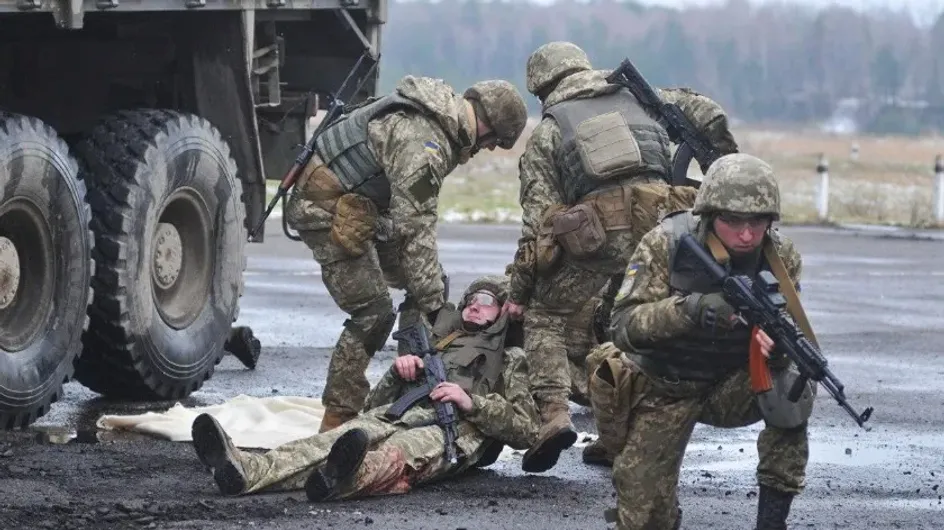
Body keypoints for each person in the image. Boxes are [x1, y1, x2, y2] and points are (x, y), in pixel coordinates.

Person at [502, 40, 739, 472]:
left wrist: (519, 290)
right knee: (625, 322)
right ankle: (619, 435)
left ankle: (553, 416)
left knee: (546, 315)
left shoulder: (551, 130)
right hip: (664, 229)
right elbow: (707, 112)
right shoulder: (644, 100)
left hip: (598, 238)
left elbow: (538, 224)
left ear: (542, 88)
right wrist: (726, 161)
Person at [284, 75, 528, 432]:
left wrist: (428, 293)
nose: (486, 151)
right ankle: (339, 414)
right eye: (493, 143)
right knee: (373, 312)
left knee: (428, 281)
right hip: (324, 211)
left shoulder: (436, 117)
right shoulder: (425, 142)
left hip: (361, 208)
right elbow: (416, 228)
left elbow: (410, 230)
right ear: (488, 128)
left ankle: (413, 376)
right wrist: (433, 308)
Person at [596, 153, 815, 530]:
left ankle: (772, 523)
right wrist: (690, 310)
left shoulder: (781, 258)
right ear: (710, 215)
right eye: (733, 222)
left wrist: (777, 352)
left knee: (791, 394)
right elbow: (622, 326)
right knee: (646, 520)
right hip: (665, 386)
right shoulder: (665, 243)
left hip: (732, 384)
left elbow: (786, 330)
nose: (746, 235)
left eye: (757, 222)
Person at [190, 275, 545, 501]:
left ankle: (340, 479)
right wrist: (397, 373)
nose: (474, 307)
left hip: (454, 432)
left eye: (485, 302)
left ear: (500, 314)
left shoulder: (511, 359)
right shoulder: (438, 345)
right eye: (470, 301)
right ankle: (245, 471)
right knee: (332, 440)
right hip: (399, 413)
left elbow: (527, 430)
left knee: (395, 455)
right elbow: (376, 404)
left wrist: (472, 403)